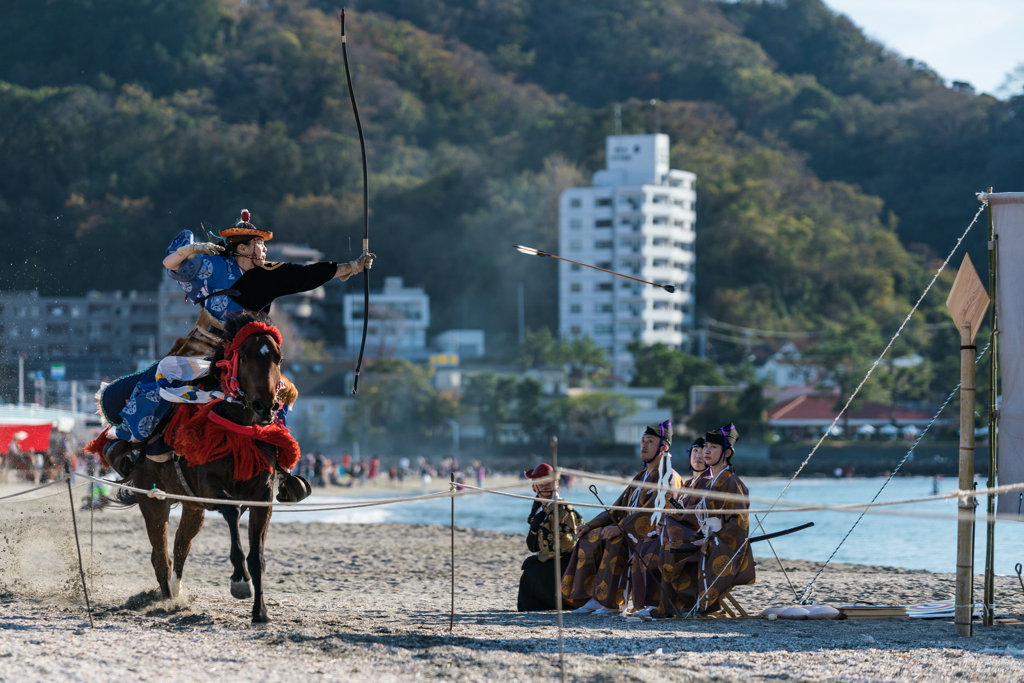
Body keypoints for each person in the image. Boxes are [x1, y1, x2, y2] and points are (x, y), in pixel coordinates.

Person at [99, 209, 376, 477]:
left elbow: (304, 274)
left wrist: (351, 267)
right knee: (161, 378)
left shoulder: (267, 276)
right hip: (202, 344)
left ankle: (281, 468)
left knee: (274, 393)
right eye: (258, 244)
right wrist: (191, 251)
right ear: (241, 248)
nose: (264, 251)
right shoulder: (212, 264)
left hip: (240, 353)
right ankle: (130, 445)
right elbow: (169, 263)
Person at [561, 421, 684, 615]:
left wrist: (622, 528)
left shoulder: (669, 477)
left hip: (652, 533)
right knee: (589, 536)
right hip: (629, 528)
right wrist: (591, 525)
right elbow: (617, 508)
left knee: (617, 539)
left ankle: (611, 602)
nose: (643, 445)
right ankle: (595, 597)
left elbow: (655, 511)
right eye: (642, 440)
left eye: (650, 441)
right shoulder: (641, 476)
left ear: (664, 447)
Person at [657, 424, 755, 618]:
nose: (706, 451)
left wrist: (712, 539)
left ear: (727, 453)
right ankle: (675, 606)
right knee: (668, 550)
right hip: (708, 536)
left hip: (725, 542)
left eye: (713, 447)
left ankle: (699, 606)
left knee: (678, 553)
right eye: (706, 446)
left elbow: (738, 524)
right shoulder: (714, 480)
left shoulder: (731, 481)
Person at [628, 437, 707, 617]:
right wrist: (664, 522)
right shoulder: (688, 484)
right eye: (695, 451)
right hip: (674, 533)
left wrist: (670, 520)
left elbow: (698, 515)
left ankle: (661, 603)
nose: (699, 456)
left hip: (692, 538)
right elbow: (678, 510)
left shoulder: (708, 482)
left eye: (704, 452)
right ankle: (647, 603)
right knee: (643, 545)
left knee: (653, 550)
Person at [517, 463, 582, 611]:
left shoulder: (563, 508)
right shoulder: (540, 508)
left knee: (534, 571)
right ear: (534, 487)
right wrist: (534, 528)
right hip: (552, 558)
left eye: (549, 481)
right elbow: (532, 547)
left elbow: (567, 542)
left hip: (568, 561)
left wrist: (539, 557)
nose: (546, 484)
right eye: (541, 481)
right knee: (531, 571)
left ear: (557, 483)